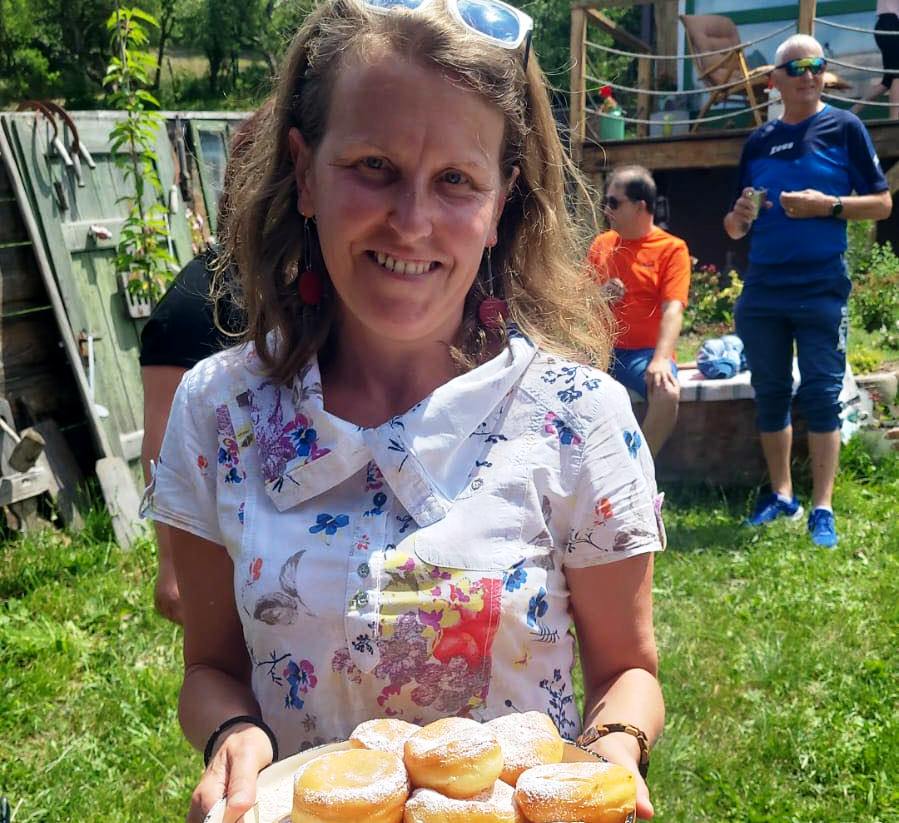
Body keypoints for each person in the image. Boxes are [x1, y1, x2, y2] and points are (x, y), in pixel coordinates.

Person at [145, 0, 667, 820]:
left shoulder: (577, 418)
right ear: (304, 172)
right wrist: (232, 732)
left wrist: (613, 751)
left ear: (501, 203)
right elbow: (209, 668)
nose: (412, 222)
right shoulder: (219, 412)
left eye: (456, 179)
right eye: (373, 165)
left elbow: (626, 669)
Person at [723, 34, 892, 548]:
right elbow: (733, 227)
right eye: (797, 67)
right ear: (775, 81)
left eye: (816, 65)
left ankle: (822, 506)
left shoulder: (845, 127)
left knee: (821, 394)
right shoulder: (758, 141)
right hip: (765, 287)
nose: (809, 74)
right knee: (770, 391)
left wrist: (829, 206)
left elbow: (882, 203)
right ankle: (782, 495)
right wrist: (740, 216)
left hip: (821, 286)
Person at [139, 112, 260, 623]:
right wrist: (171, 564)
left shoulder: (306, 292)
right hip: (223, 560)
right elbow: (162, 447)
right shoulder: (192, 307)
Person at [588, 166, 690, 456]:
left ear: (640, 206)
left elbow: (673, 309)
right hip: (600, 350)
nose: (606, 210)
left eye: (614, 202)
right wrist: (600, 295)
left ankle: (639, 467)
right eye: (605, 202)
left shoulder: (672, 249)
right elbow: (579, 301)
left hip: (644, 355)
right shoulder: (602, 244)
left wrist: (660, 360)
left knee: (667, 393)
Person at [851, 0, 899, 120]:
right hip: (892, 24)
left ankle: (851, 112)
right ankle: (894, 120)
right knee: (896, 75)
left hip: (883, 24)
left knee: (887, 81)